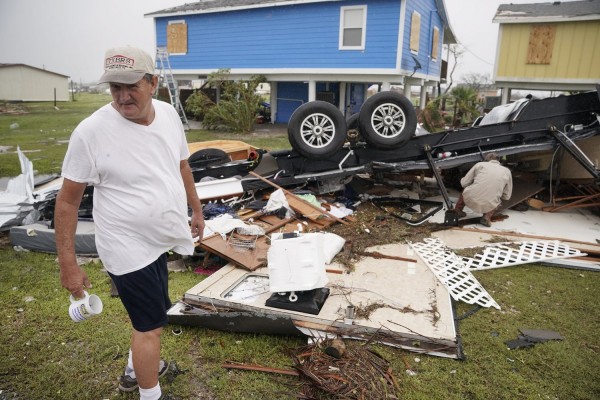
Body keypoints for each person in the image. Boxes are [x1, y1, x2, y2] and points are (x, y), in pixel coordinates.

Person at [55, 45, 205, 400]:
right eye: (114, 88)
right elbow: (67, 201)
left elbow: (181, 165)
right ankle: (149, 394)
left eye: (131, 86)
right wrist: (68, 265)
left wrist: (196, 210)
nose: (122, 97)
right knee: (150, 326)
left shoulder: (168, 115)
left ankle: (132, 371)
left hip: (159, 238)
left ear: (153, 83)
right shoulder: (90, 132)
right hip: (126, 246)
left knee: (149, 313)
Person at [452, 152, 513, 227]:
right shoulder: (507, 171)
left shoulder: (480, 165)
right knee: (498, 199)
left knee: (467, 188)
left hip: (470, 199)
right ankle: (486, 217)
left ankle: (458, 210)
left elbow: (464, 183)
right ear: (499, 161)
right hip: (489, 205)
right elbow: (507, 196)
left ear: (486, 160)